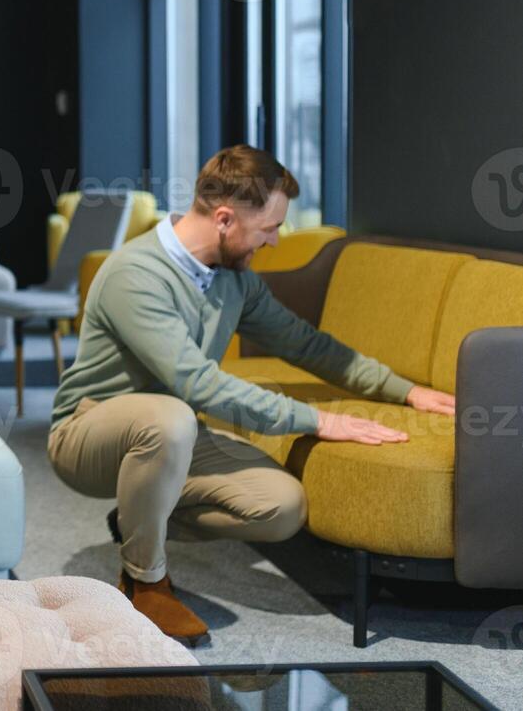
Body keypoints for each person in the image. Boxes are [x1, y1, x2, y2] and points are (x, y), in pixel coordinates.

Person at [46, 145, 455, 645]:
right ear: (223, 219)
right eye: (268, 228)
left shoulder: (233, 278)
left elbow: (304, 343)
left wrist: (405, 390)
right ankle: (145, 581)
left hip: (171, 435)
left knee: (282, 508)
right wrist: (318, 420)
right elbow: (197, 383)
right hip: (87, 431)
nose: (276, 240)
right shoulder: (137, 275)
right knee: (172, 417)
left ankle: (139, 514)